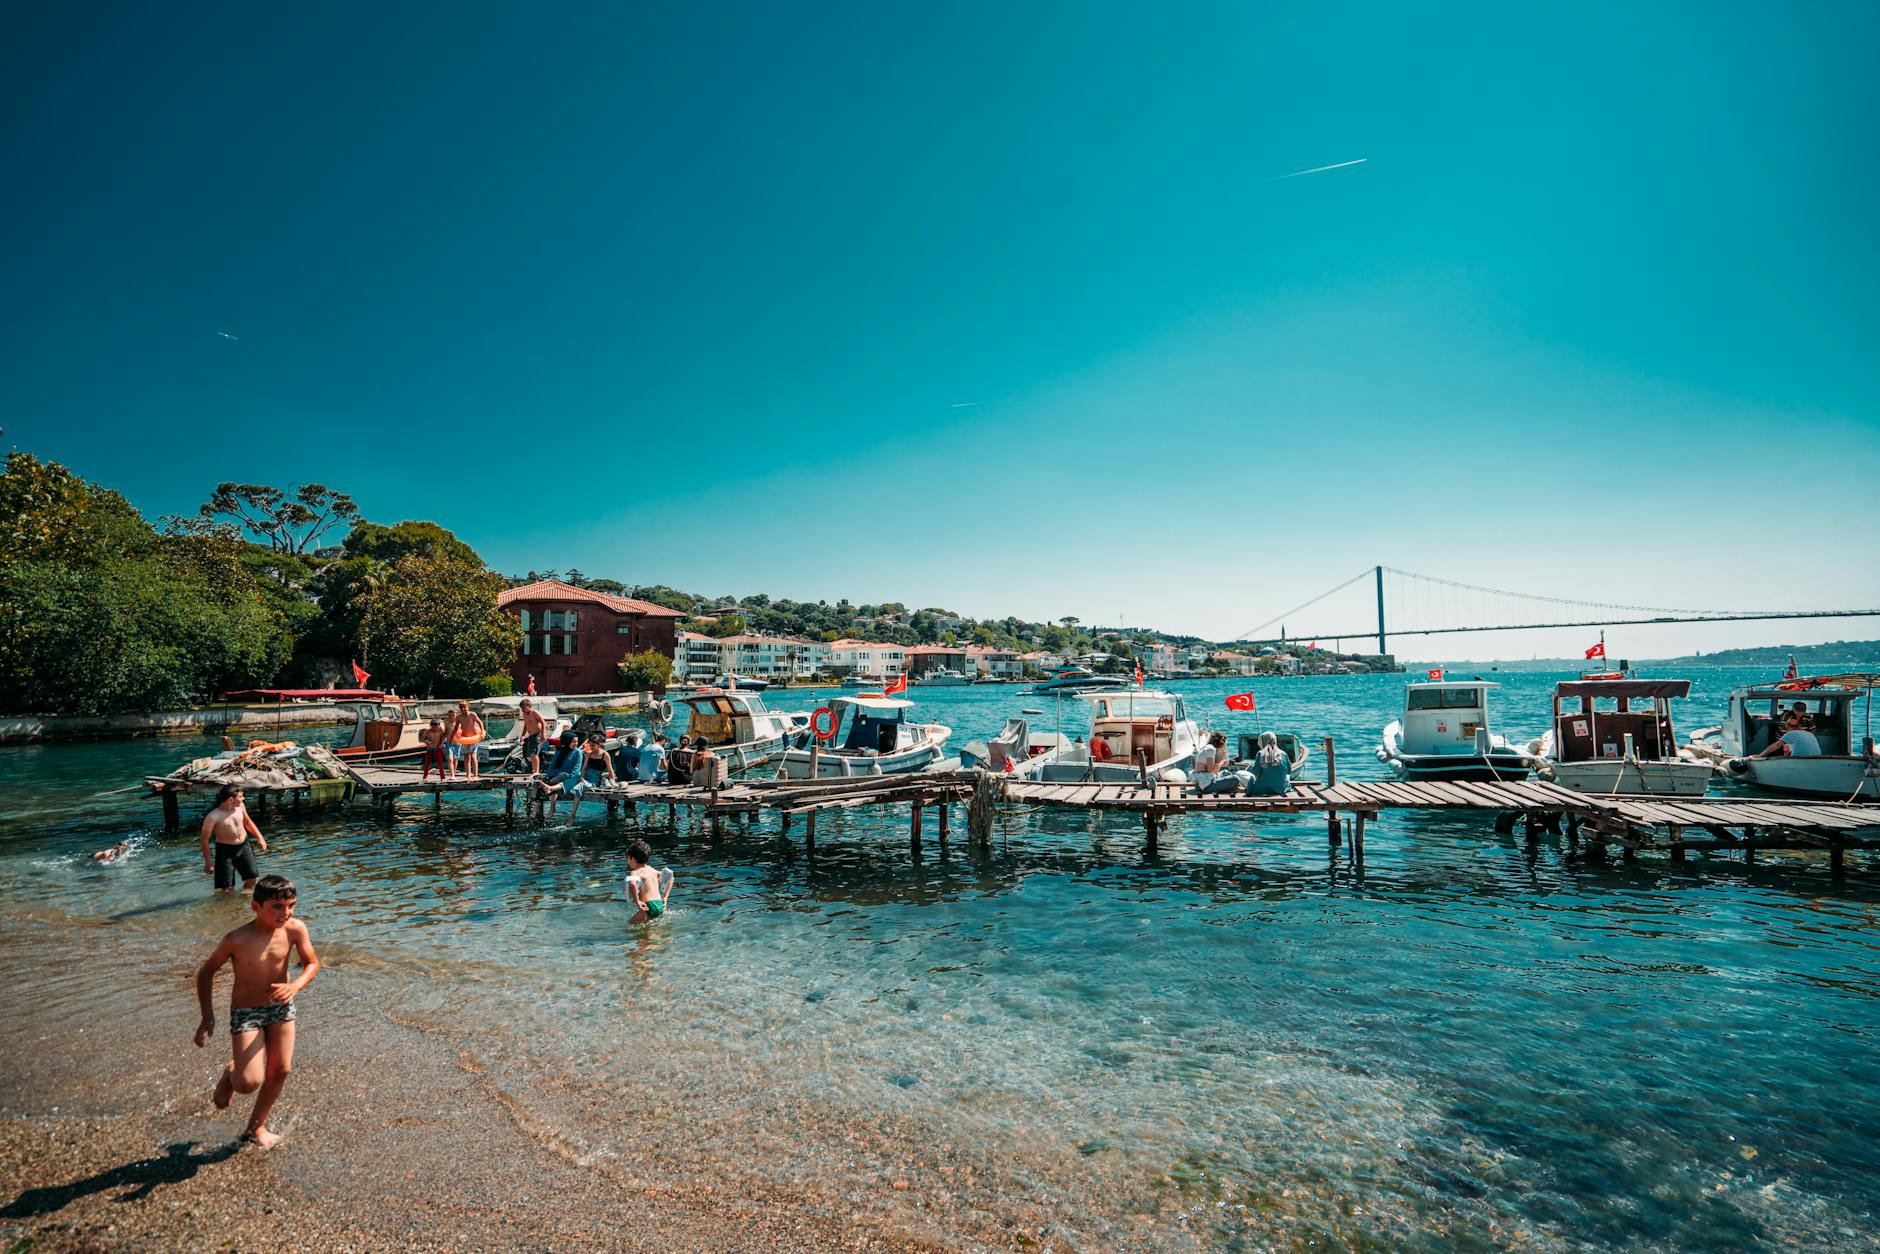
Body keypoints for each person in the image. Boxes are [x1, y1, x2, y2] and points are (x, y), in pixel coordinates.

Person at [194, 875, 321, 1149]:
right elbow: (206, 973)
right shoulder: (236, 939)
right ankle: (231, 1073)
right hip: (246, 1012)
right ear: (255, 907)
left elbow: (312, 963)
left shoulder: (295, 930)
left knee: (281, 1070)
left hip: (280, 1006)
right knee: (249, 1082)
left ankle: (256, 1128)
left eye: (291, 905)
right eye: (277, 907)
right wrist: (207, 1016)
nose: (285, 913)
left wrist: (295, 986)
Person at [200, 784, 268, 894]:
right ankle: (227, 909)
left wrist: (260, 838)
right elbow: (204, 840)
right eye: (241, 797)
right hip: (225, 851)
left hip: (244, 846)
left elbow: (247, 822)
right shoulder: (213, 816)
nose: (243, 799)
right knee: (227, 889)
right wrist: (208, 863)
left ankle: (241, 904)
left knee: (253, 880)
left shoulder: (240, 807)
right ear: (231, 799)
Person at [537, 733, 592, 818]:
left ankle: (551, 808)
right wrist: (548, 775)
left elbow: (576, 770)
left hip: (570, 777)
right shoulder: (560, 751)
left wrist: (567, 778)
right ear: (567, 742)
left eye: (577, 741)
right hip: (557, 775)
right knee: (550, 780)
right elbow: (552, 766)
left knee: (555, 780)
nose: (576, 743)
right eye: (573, 741)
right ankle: (547, 808)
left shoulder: (578, 752)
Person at [624, 839, 670, 923]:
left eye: (628, 859)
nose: (628, 862)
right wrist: (665, 897)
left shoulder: (635, 872)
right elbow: (670, 877)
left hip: (648, 906)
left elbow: (632, 883)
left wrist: (637, 902)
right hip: (659, 904)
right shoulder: (652, 870)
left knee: (629, 925)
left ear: (633, 859)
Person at [1245, 731, 1294, 796]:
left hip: (1261, 789)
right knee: (1287, 776)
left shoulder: (1260, 754)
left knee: (1239, 773)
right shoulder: (1284, 754)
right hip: (1280, 789)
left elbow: (1255, 773)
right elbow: (1289, 772)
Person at [448, 701, 486, 781]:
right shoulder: (459, 717)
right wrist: (451, 738)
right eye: (461, 707)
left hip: (473, 738)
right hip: (464, 739)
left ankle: (475, 775)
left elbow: (480, 722)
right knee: (466, 758)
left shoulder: (472, 714)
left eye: (465, 707)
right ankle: (468, 775)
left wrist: (482, 731)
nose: (463, 709)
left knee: (473, 756)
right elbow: (456, 728)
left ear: (468, 707)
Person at [515, 699, 548, 775]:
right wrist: (522, 735)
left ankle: (536, 771)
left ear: (529, 706)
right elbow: (526, 725)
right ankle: (534, 770)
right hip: (531, 736)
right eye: (521, 708)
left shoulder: (534, 713)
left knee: (534, 753)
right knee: (531, 754)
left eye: (524, 708)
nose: (522, 710)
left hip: (537, 735)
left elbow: (543, 722)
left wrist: (543, 734)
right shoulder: (524, 715)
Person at [1755, 725, 1822, 759]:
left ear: (1788, 728)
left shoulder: (1791, 733)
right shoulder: (1809, 733)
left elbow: (1776, 746)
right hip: (1817, 759)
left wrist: (1759, 755)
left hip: (1801, 761)